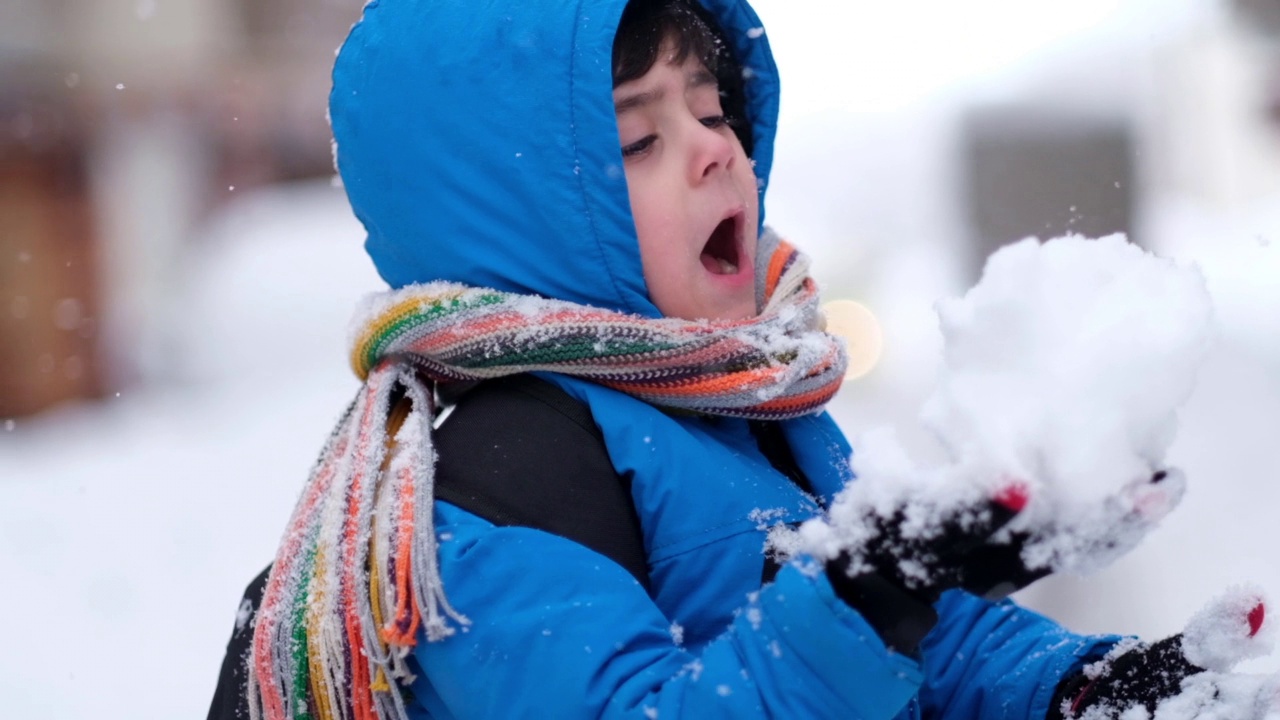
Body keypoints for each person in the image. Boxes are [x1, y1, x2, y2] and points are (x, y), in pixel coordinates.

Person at [209, 1, 1274, 719]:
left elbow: (929, 655)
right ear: (517, 220)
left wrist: (1091, 688)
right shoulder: (487, 489)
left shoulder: (743, 413)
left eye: (712, 111)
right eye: (639, 139)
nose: (716, 147)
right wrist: (862, 603)